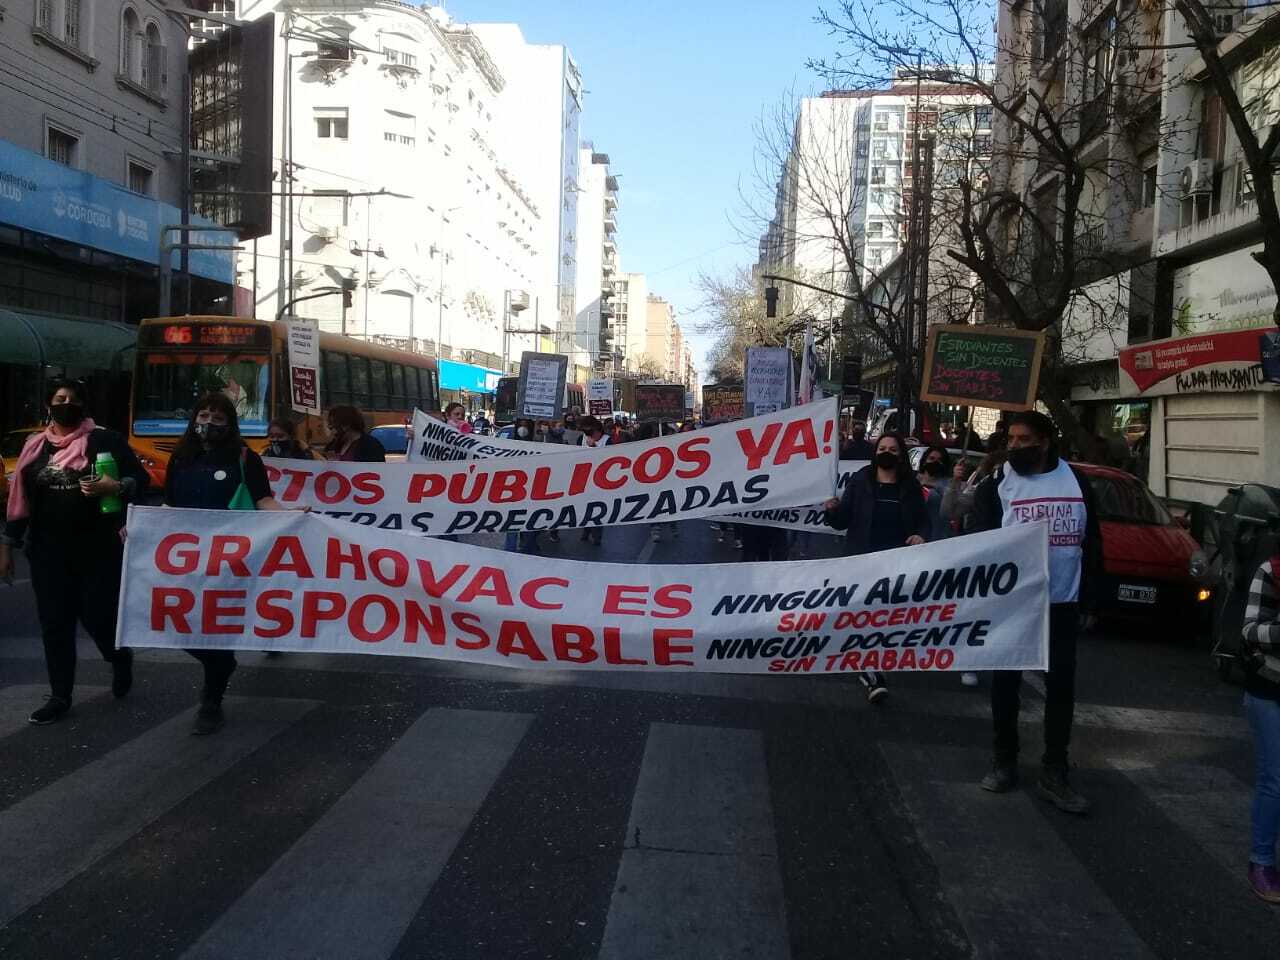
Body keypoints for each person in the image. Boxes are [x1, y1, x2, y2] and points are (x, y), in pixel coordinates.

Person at [972, 410, 1102, 814]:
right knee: (1005, 685)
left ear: (1044, 442)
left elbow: (1092, 541)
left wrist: (1090, 600)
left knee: (1061, 689)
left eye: (1023, 440)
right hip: (1013, 604)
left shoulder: (1076, 481)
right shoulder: (998, 483)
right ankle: (1004, 761)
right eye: (1010, 439)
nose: (1014, 446)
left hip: (1061, 602)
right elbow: (979, 542)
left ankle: (1055, 770)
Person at [0, 380, 148, 725]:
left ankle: (118, 657)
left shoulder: (105, 440)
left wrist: (117, 486)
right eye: (60, 398)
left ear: (84, 406)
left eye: (74, 399)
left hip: (98, 550)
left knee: (99, 618)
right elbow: (20, 503)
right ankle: (59, 696)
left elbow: (139, 479)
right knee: (55, 624)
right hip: (47, 552)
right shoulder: (35, 447)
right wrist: (7, 547)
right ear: (48, 405)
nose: (67, 404)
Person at [164, 393, 293, 735]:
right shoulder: (180, 458)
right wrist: (139, 529)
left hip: (228, 559)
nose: (209, 423)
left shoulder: (244, 458)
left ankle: (211, 701)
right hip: (187, 558)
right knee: (178, 623)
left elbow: (263, 499)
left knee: (215, 626)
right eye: (204, 416)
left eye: (218, 419)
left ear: (230, 424)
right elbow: (169, 505)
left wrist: (290, 516)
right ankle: (221, 663)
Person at [823, 432, 931, 704]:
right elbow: (842, 520)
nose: (887, 453)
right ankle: (870, 670)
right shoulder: (861, 480)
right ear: (875, 452)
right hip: (861, 560)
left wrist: (921, 535)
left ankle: (875, 661)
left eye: (893, 449)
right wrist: (832, 510)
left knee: (887, 616)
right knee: (864, 614)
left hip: (896, 562)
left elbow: (923, 520)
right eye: (882, 448)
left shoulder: (910, 485)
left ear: (901, 454)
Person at [1240, 555, 1280, 902]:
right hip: (1270, 690)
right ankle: (1262, 861)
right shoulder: (1271, 571)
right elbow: (1250, 629)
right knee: (1276, 779)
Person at [576, 416, 611, 545]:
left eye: (591, 432)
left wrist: (594, 447)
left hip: (600, 480)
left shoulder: (607, 440)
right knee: (585, 506)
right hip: (584, 478)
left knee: (597, 507)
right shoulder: (581, 439)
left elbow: (610, 458)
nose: (589, 435)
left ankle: (597, 535)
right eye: (587, 433)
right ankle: (586, 529)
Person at [917, 444, 953, 542]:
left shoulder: (948, 484)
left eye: (939, 460)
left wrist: (933, 485)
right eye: (931, 458)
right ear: (924, 461)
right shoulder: (913, 481)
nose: (935, 462)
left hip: (938, 538)